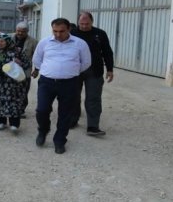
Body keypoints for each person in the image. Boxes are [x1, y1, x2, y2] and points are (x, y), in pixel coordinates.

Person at [31, 18, 91, 154]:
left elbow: (86, 62)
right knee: (42, 110)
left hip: (69, 83)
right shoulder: (45, 42)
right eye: (55, 31)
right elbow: (37, 59)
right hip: (47, 82)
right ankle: (43, 130)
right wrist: (49, 70)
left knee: (65, 114)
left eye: (61, 31)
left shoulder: (80, 44)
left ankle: (60, 140)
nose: (58, 34)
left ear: (69, 29)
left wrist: (70, 71)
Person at [70, 11, 114, 136]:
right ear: (78, 22)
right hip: (75, 71)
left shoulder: (100, 34)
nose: (84, 26)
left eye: (87, 23)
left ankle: (93, 126)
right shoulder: (71, 34)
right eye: (82, 23)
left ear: (92, 22)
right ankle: (72, 120)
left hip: (94, 71)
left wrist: (110, 69)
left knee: (93, 99)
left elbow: (107, 52)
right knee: (73, 96)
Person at [0, 34, 30, 133]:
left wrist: (20, 63)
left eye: (2, 41)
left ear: (8, 42)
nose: (0, 43)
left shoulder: (17, 52)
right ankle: (1, 122)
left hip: (13, 84)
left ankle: (14, 124)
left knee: (13, 103)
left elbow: (27, 64)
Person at [11, 21, 38, 117]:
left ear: (27, 31)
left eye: (23, 31)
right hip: (10, 69)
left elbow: (38, 57)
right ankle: (11, 108)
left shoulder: (33, 42)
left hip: (25, 70)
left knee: (23, 90)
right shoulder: (9, 38)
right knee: (10, 89)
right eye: (18, 31)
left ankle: (21, 109)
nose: (20, 33)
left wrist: (36, 70)